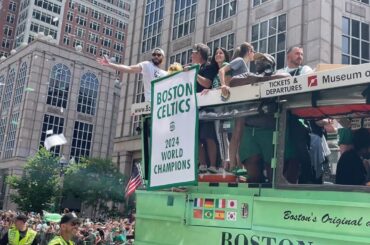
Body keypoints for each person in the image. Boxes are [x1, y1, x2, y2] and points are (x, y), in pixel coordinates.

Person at [218, 43, 255, 175]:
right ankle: (234, 165)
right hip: (237, 103)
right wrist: (223, 86)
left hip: (244, 103)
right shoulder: (239, 61)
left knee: (240, 133)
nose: (254, 55)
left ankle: (238, 164)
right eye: (253, 52)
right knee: (237, 133)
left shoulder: (245, 66)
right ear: (249, 51)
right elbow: (222, 70)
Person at [201, 48, 232, 172]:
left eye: (221, 53)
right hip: (217, 108)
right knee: (220, 137)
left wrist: (211, 90)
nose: (218, 55)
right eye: (216, 53)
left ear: (226, 56)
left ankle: (226, 165)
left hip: (224, 107)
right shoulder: (216, 72)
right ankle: (223, 164)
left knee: (223, 136)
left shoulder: (226, 67)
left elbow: (228, 85)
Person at [96, 48, 167, 102]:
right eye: (154, 54)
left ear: (163, 57)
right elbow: (129, 68)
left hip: (162, 105)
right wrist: (110, 64)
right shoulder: (147, 65)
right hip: (150, 104)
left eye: (158, 55)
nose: (156, 56)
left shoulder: (166, 74)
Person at [190, 43, 219, 173]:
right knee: (196, 138)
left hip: (207, 108)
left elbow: (207, 83)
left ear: (201, 54)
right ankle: (202, 165)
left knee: (208, 136)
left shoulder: (209, 67)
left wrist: (193, 73)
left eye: (194, 52)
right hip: (193, 109)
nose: (192, 55)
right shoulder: (193, 68)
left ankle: (212, 165)